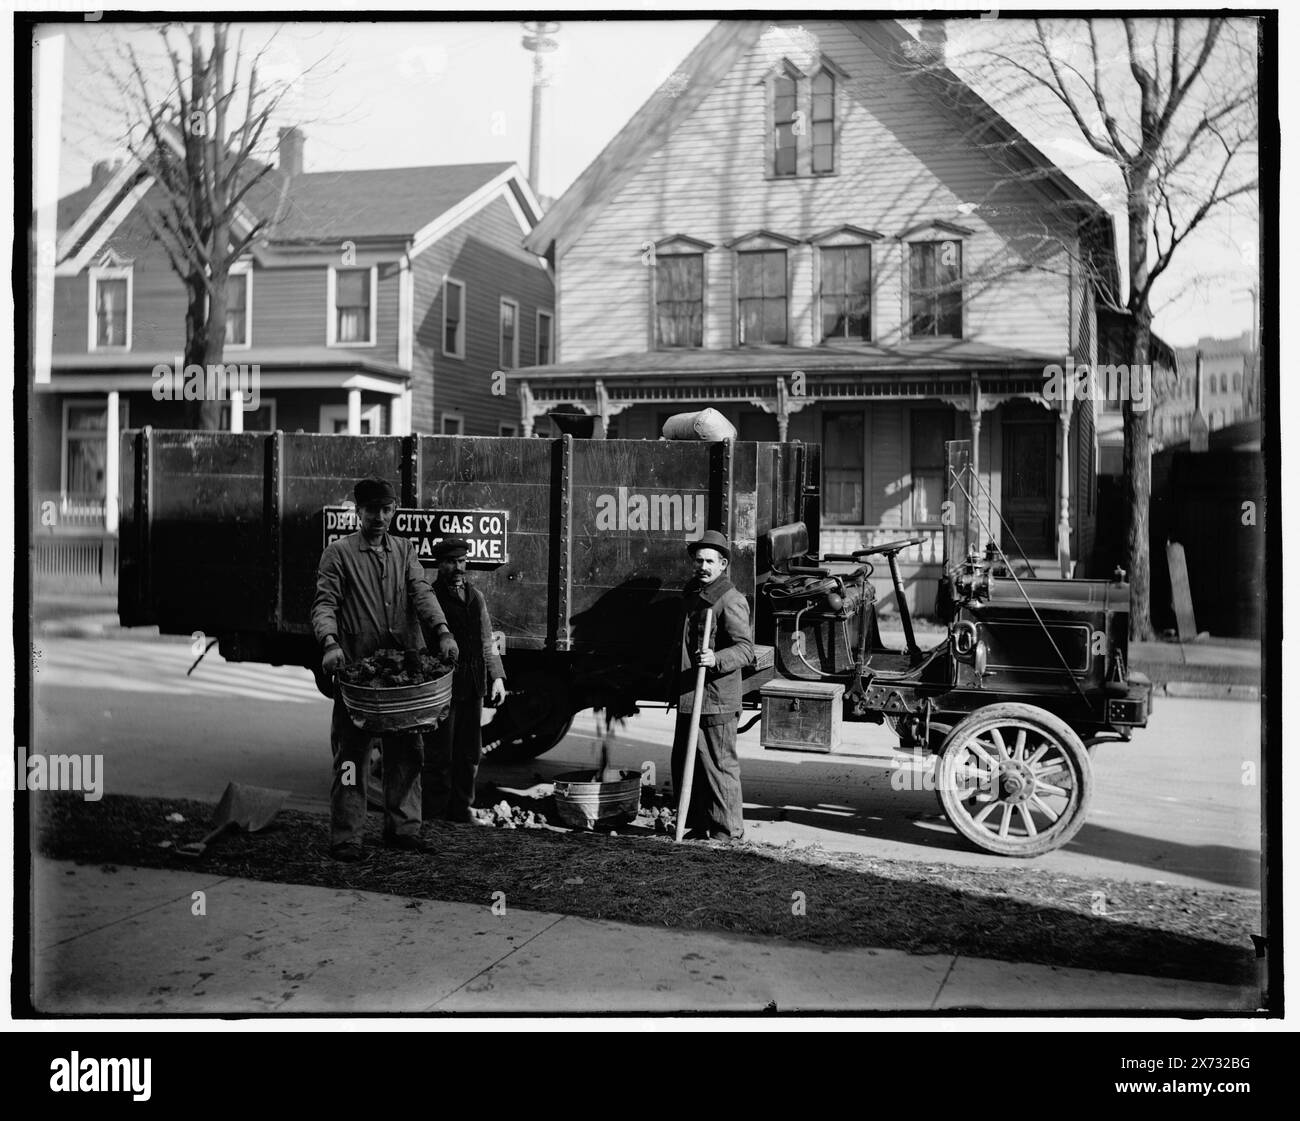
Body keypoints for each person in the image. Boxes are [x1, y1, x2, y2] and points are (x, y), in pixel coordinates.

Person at [312, 476, 459, 860]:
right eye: (372, 509)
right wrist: (329, 643)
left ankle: (403, 830)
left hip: (405, 675)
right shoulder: (339, 554)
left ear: (394, 510)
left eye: (387, 509)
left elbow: (421, 592)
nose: (380, 517)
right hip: (359, 673)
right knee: (351, 755)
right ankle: (347, 837)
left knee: (409, 752)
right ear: (358, 511)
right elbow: (324, 604)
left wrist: (442, 632)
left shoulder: (405, 550)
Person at [670, 529, 754, 841]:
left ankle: (728, 830)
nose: (703, 566)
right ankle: (699, 824)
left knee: (719, 765)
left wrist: (715, 658)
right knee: (687, 762)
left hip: (716, 696)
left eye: (709, 561)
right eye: (699, 560)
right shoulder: (692, 594)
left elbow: (745, 648)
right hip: (690, 693)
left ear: (722, 565)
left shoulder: (730, 600)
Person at [423, 536, 507, 823]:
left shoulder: (476, 596)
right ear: (439, 564)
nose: (457, 567)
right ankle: (434, 813)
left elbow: (487, 640)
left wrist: (497, 677)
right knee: (440, 755)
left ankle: (461, 809)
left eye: (461, 561)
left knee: (470, 754)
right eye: (450, 562)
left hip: (473, 686)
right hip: (444, 688)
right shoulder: (431, 598)